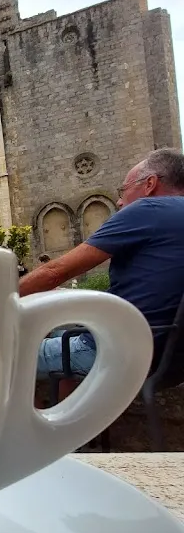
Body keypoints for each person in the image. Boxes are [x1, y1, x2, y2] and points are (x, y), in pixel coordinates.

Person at [20, 148, 184, 378]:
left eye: (123, 190)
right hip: (169, 360)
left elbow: (54, 272)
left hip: (116, 352)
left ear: (150, 184)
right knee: (60, 333)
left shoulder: (147, 210)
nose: (119, 201)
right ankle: (73, 403)